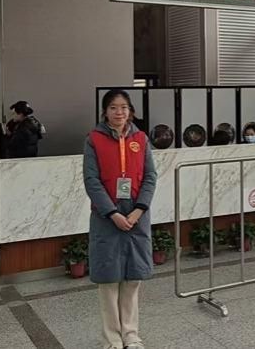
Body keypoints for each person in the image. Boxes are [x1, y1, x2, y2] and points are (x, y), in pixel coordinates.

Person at [83, 89, 157, 349]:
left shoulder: (141, 138)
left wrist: (139, 210)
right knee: (109, 280)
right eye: (113, 107)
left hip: (137, 216)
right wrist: (112, 213)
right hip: (106, 217)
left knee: (133, 278)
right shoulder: (94, 139)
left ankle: (131, 334)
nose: (119, 112)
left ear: (130, 111)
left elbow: (150, 177)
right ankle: (112, 338)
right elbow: (91, 180)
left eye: (124, 107)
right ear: (105, 111)